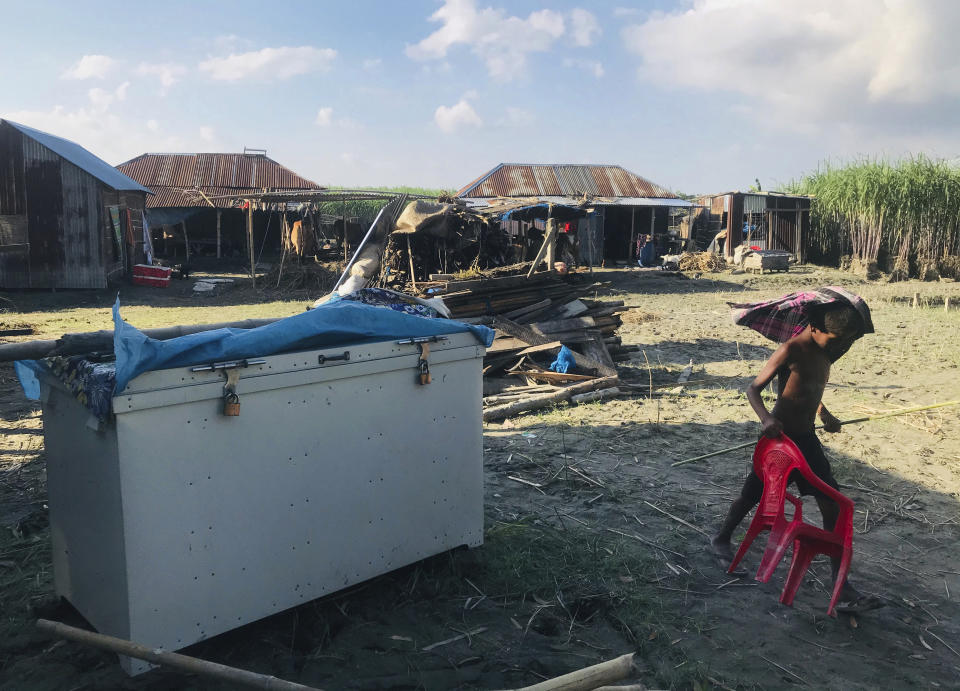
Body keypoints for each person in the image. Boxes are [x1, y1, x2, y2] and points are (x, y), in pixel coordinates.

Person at [711, 301, 883, 613]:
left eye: (846, 340)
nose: (842, 345)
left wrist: (824, 412)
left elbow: (810, 390)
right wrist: (766, 420)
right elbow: (752, 389)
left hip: (807, 440)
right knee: (751, 496)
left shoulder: (825, 353)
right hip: (778, 443)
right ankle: (721, 538)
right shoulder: (791, 349)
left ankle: (840, 584)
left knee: (833, 505)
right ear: (815, 328)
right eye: (836, 339)